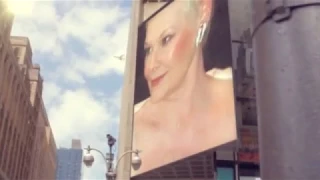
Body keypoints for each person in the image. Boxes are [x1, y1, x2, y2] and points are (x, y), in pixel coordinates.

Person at [132, 0, 236, 176]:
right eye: (148, 50)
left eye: (166, 39)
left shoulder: (241, 93)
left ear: (203, 11)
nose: (150, 67)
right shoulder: (133, 132)